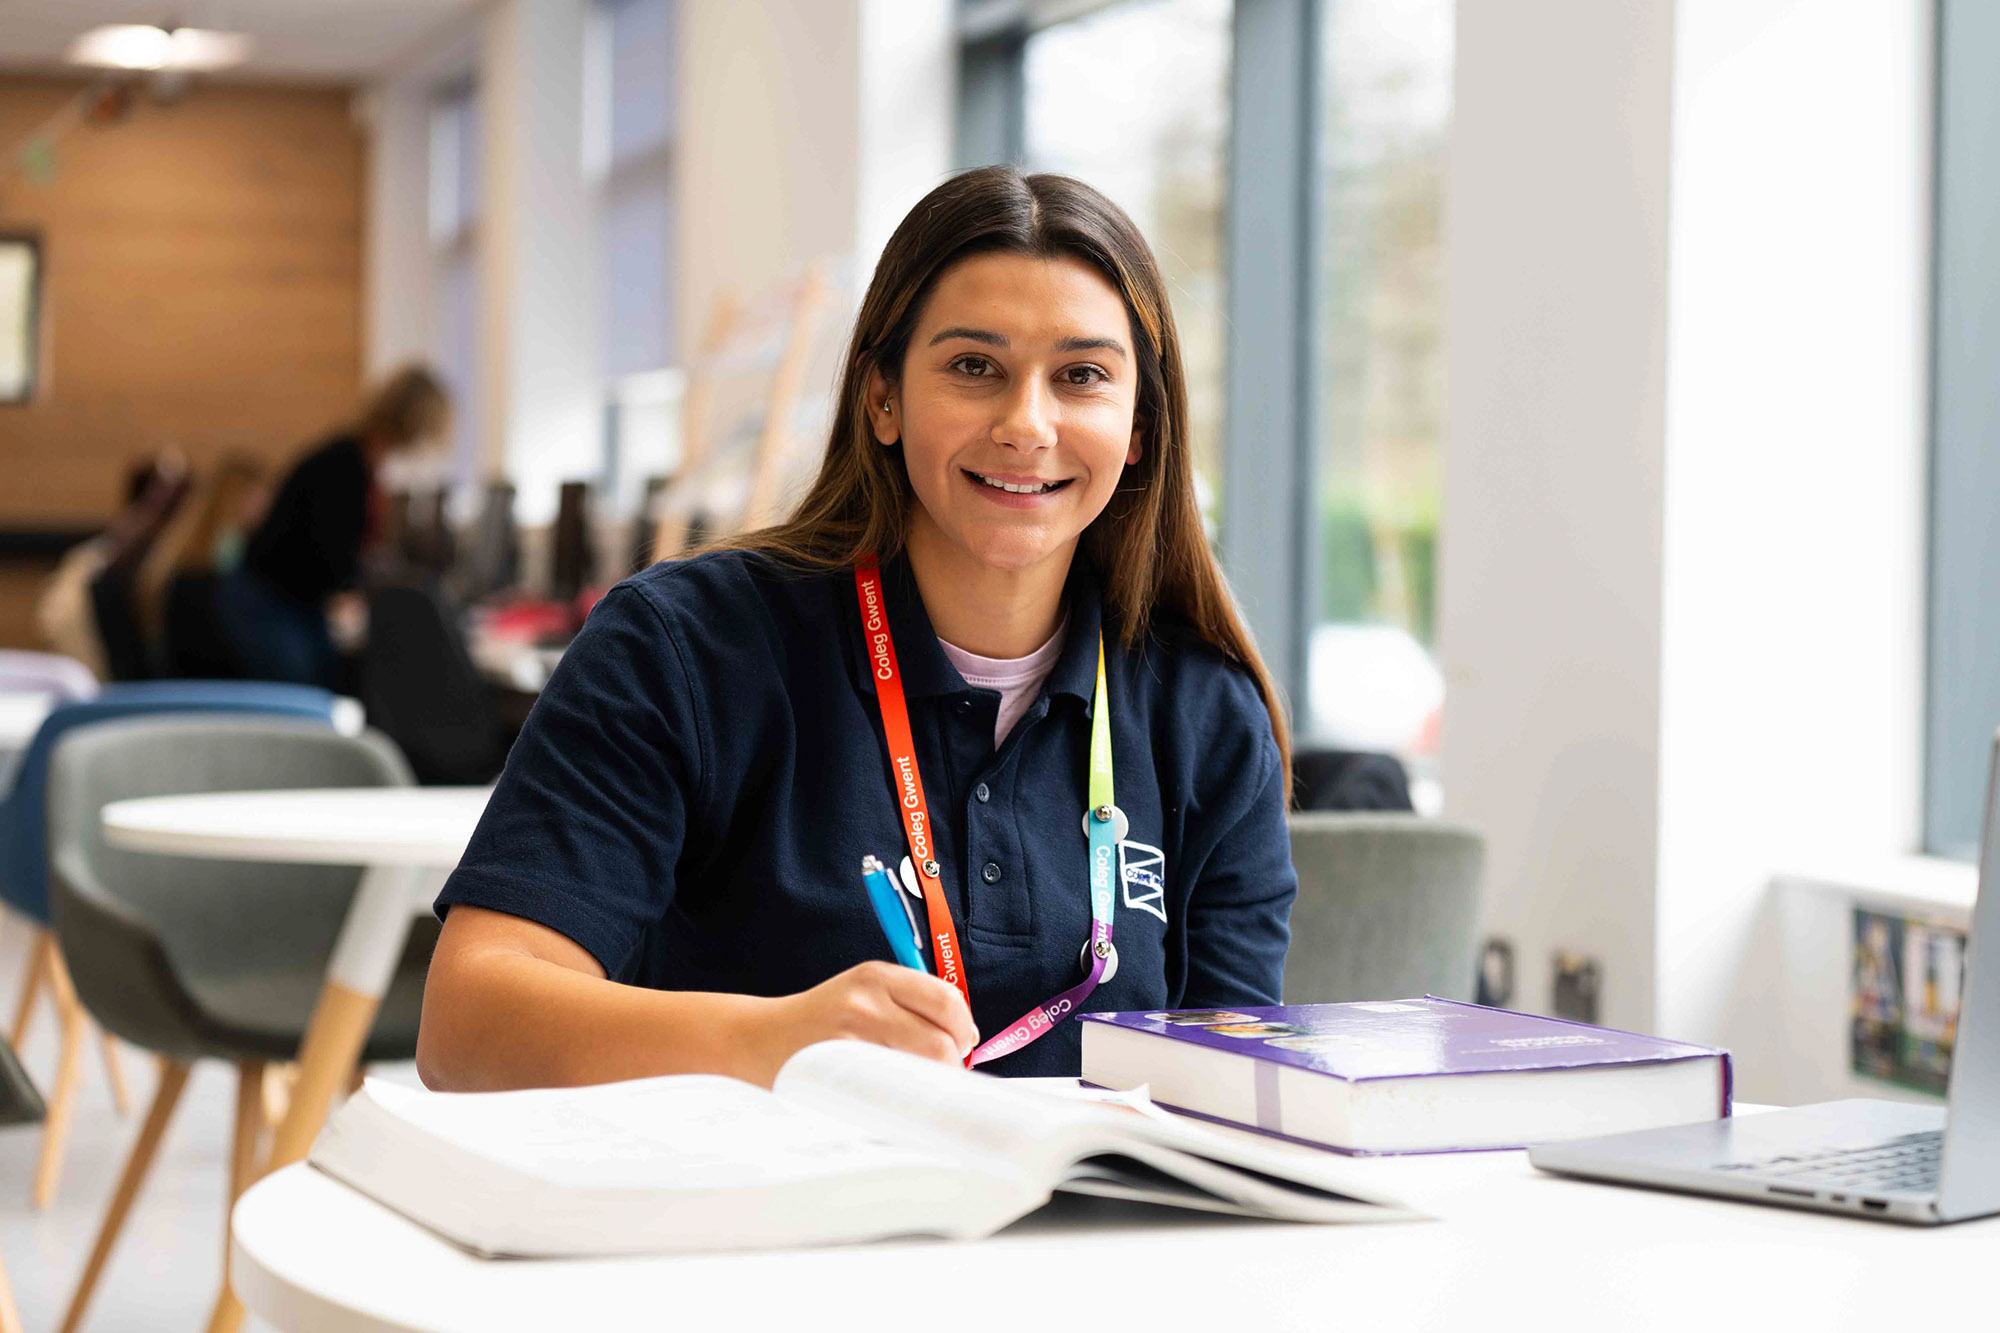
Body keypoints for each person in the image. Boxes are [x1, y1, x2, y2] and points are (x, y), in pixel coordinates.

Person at [418, 168, 1296, 1090]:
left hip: (1085, 1229)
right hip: (756, 1222)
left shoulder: (1206, 713)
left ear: (1140, 429)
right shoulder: (682, 647)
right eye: (973, 367)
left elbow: (1238, 1099)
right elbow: (467, 1024)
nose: (1026, 423)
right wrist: (773, 1042)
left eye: (1081, 377)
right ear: (883, 398)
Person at [219, 365, 449, 686]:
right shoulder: (344, 466)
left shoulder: (358, 462)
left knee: (328, 680)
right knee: (306, 699)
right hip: (269, 600)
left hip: (294, 603)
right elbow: (331, 554)